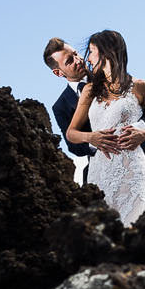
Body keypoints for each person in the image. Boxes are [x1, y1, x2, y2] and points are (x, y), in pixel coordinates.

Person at [68, 29, 145, 225]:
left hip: (134, 176)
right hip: (100, 174)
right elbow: (71, 133)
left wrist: (144, 135)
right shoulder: (89, 91)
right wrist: (91, 137)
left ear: (106, 53)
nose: (88, 58)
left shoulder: (141, 87)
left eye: (92, 51)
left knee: (134, 236)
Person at [42, 37, 91, 184]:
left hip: (142, 160)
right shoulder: (60, 106)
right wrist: (96, 141)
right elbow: (73, 146)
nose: (78, 60)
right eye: (69, 61)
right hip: (101, 169)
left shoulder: (109, 76)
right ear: (58, 73)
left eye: (76, 54)